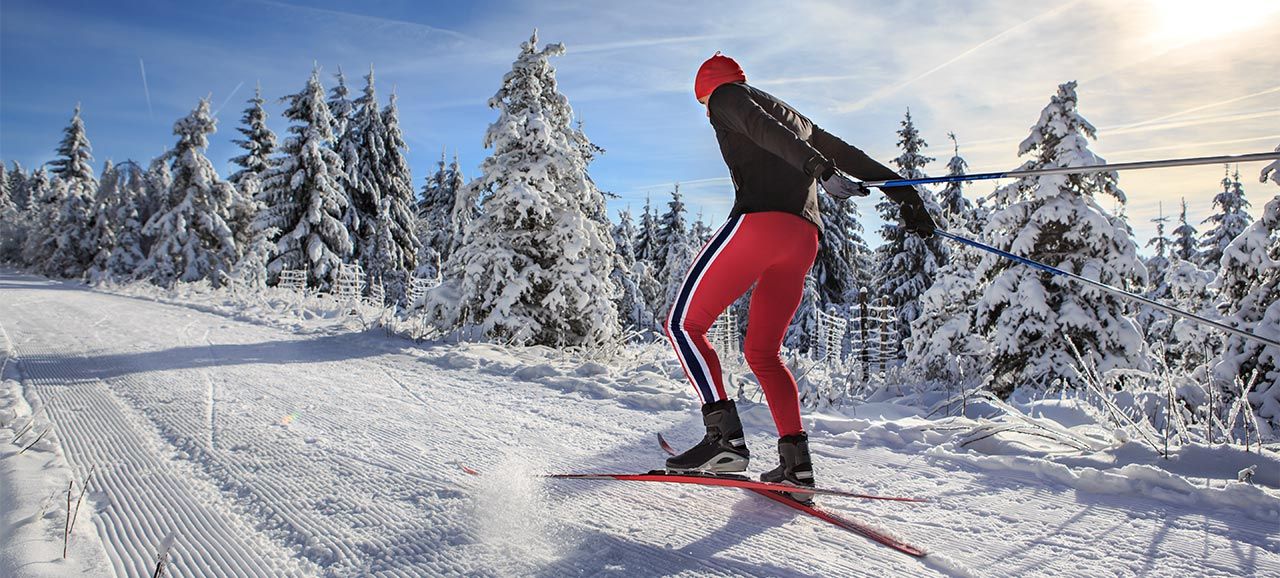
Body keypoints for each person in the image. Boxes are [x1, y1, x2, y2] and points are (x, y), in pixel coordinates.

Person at [663, 52, 937, 500]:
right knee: (763, 352)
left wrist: (820, 170)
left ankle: (723, 442)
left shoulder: (727, 98)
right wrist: (903, 193)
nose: (709, 114)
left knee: (683, 325)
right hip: (803, 239)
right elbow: (850, 154)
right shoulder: (794, 116)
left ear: (706, 93)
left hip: (760, 225)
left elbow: (759, 129)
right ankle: (796, 466)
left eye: (704, 107)